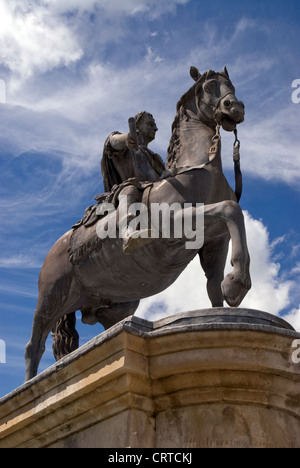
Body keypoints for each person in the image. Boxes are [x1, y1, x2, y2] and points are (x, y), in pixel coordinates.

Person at [101, 112, 165, 254]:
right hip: (130, 192)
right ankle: (128, 233)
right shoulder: (125, 147)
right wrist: (126, 138)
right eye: (150, 124)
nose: (156, 129)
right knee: (129, 189)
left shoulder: (155, 158)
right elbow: (111, 142)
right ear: (138, 127)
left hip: (155, 196)